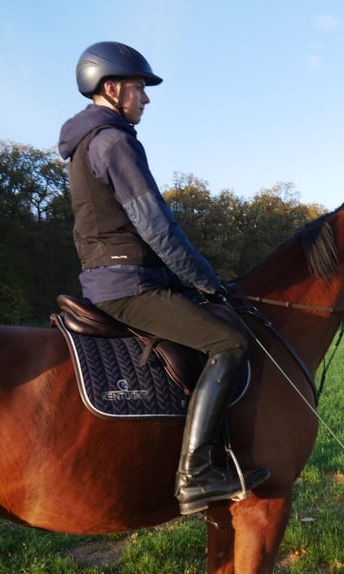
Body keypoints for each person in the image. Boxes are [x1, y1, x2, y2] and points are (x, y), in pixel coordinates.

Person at [58, 41, 269, 515]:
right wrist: (207, 281)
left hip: (118, 276)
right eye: (139, 89)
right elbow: (155, 224)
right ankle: (196, 474)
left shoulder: (90, 141)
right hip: (128, 285)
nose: (146, 99)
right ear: (112, 89)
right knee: (230, 343)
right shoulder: (114, 141)